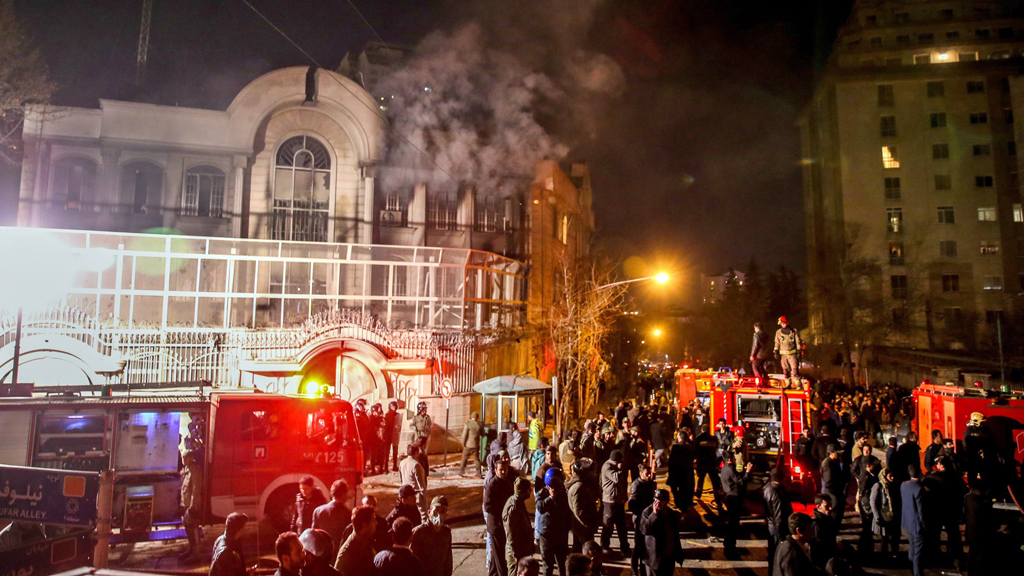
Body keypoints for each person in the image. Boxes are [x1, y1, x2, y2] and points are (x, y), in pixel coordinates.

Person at [638, 489, 681, 576]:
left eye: (661, 501)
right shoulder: (647, 512)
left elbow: (675, 534)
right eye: (656, 500)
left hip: (668, 556)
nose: (657, 504)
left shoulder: (671, 514)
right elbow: (644, 529)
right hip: (653, 558)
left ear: (666, 501)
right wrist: (654, 515)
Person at [484, 458, 515, 576]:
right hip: (496, 525)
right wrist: (503, 512)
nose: (503, 472)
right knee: (500, 555)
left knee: (496, 554)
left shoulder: (507, 482)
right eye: (501, 470)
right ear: (496, 470)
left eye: (505, 469)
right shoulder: (492, 485)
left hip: (503, 524)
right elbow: (488, 506)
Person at [537, 471, 571, 576]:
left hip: (560, 532)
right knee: (548, 564)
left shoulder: (563, 492)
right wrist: (551, 498)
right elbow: (540, 508)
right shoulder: (543, 493)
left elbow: (567, 510)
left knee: (562, 562)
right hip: (547, 532)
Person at [720, 453, 754, 557]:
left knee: (732, 523)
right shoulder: (730, 470)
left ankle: (729, 544)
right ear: (730, 459)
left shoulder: (724, 469)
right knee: (733, 524)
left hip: (729, 497)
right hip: (734, 498)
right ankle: (730, 546)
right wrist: (748, 472)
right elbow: (741, 482)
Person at [411, 496, 453, 576]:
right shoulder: (418, 533)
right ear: (429, 512)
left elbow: (448, 561)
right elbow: (411, 562)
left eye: (442, 512)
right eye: (436, 511)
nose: (438, 515)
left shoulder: (446, 533)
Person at [628, 465, 657, 576]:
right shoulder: (637, 485)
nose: (649, 476)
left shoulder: (649, 483)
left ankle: (644, 569)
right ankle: (634, 570)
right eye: (647, 474)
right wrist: (641, 514)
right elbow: (632, 504)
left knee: (645, 545)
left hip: (647, 518)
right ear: (640, 474)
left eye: (650, 473)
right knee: (638, 546)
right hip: (640, 519)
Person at [599, 450, 630, 556]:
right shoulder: (607, 466)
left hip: (618, 500)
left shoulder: (616, 465)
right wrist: (620, 469)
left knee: (622, 525)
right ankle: (604, 546)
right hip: (609, 500)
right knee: (608, 524)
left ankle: (624, 546)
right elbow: (616, 478)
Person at [763, 468, 792, 576]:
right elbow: (779, 516)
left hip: (771, 528)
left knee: (772, 556)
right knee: (779, 558)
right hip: (778, 530)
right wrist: (782, 538)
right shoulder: (777, 494)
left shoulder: (768, 489)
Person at [567, 458, 600, 552]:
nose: (595, 473)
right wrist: (590, 524)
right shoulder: (578, 488)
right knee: (584, 552)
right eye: (593, 471)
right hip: (583, 528)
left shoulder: (583, 485)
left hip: (581, 527)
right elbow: (579, 511)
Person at [312, 480, 351, 559]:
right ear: (344, 494)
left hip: (321, 554)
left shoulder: (318, 511)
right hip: (338, 555)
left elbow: (313, 534)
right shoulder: (347, 513)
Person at [503, 477, 534, 576]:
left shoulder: (519, 503)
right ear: (523, 491)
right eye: (529, 489)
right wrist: (516, 555)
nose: (531, 491)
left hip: (522, 550)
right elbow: (511, 534)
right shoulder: (513, 508)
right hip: (516, 553)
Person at [334, 506, 377, 576]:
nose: (376, 523)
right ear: (365, 526)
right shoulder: (347, 552)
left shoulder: (367, 541)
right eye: (374, 520)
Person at [900, 465, 926, 576]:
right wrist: (924, 525)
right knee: (918, 551)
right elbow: (921, 510)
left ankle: (911, 567)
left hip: (907, 521)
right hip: (917, 524)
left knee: (912, 546)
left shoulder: (903, 485)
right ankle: (917, 573)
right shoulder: (919, 489)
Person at [180, 447, 205, 560]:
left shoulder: (195, 470)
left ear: (191, 458)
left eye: (185, 457)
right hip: (186, 503)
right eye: (183, 457)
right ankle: (191, 549)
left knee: (193, 528)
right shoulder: (187, 469)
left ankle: (196, 554)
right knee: (187, 527)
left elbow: (196, 488)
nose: (183, 459)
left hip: (192, 505)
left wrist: (193, 505)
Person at [963, 478, 992, 576]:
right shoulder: (982, 501)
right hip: (980, 532)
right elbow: (986, 517)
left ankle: (970, 571)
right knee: (980, 555)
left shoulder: (967, 497)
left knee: (972, 553)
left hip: (970, 530)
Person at [869, 467, 898, 561]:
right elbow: (873, 502)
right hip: (883, 517)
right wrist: (877, 517)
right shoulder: (878, 486)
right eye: (890, 476)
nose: (892, 478)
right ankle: (884, 557)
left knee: (894, 537)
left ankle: (895, 555)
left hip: (892, 516)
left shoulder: (893, 486)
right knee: (884, 538)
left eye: (893, 476)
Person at [694, 425, 722, 511]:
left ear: (702, 430)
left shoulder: (698, 439)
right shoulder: (713, 439)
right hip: (712, 464)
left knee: (701, 479)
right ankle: (717, 499)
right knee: (715, 482)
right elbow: (717, 449)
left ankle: (698, 494)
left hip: (702, 463)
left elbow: (695, 451)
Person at [667, 430, 695, 512]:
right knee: (684, 488)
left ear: (680, 437)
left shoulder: (675, 447)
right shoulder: (689, 447)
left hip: (676, 471)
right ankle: (684, 504)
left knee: (675, 488)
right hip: (686, 472)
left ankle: (678, 503)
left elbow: (671, 460)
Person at [399, 444, 428, 520]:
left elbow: (402, 479)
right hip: (416, 495)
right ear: (416, 452)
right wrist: (424, 498)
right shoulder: (416, 465)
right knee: (423, 516)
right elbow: (421, 484)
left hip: (406, 495)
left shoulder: (402, 463)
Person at [857, 460, 880, 556]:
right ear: (868, 466)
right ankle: (865, 550)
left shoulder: (869, 476)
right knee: (867, 530)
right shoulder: (867, 478)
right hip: (866, 508)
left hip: (866, 507)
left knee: (867, 530)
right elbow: (865, 495)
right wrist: (868, 510)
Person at [819, 445, 846, 525]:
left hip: (835, 489)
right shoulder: (827, 464)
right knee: (834, 507)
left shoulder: (834, 461)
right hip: (831, 491)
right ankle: (833, 525)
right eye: (837, 453)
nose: (839, 455)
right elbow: (828, 481)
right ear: (831, 453)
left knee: (839, 507)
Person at [773, 316, 803, 387]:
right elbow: (777, 342)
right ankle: (788, 384)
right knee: (785, 371)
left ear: (787, 322)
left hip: (792, 355)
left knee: (795, 370)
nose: (783, 325)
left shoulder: (793, 331)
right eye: (781, 324)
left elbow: (798, 342)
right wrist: (775, 351)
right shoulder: (778, 333)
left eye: (784, 323)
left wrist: (799, 351)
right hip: (783, 356)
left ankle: (798, 385)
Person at [809, 494, 836, 570]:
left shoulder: (827, 519)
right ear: (818, 507)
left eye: (830, 505)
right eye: (826, 506)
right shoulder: (817, 524)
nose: (830, 508)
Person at [461, 412, 484, 477]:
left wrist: (463, 443)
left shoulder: (468, 424)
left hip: (468, 445)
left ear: (471, 417)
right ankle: (479, 472)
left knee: (464, 458)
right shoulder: (479, 425)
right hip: (476, 445)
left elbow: (464, 435)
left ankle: (461, 471)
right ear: (477, 417)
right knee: (476, 459)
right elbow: (483, 434)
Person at [385, 401, 403, 472]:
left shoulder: (398, 415)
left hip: (395, 435)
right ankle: (385, 467)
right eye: (392, 407)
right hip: (388, 435)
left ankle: (395, 465)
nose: (393, 409)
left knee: (395, 452)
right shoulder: (387, 415)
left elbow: (399, 424)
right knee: (387, 452)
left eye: (394, 407)